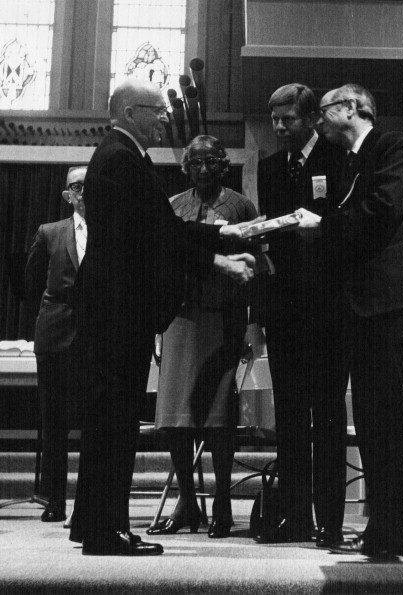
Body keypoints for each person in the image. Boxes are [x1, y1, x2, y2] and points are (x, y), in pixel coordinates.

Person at [69, 79, 255, 556]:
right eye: (157, 112)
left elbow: (161, 230)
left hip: (113, 308)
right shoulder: (121, 158)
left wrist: (221, 236)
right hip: (118, 310)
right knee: (115, 420)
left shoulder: (118, 154)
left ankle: (93, 522)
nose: (164, 120)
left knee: (107, 418)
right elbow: (157, 234)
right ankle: (107, 530)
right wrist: (220, 255)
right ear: (132, 112)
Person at [296, 83, 403, 556]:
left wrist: (323, 227)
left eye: (323, 110)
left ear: (354, 108)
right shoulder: (345, 163)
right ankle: (386, 529)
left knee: (400, 423)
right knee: (375, 425)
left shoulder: (392, 145)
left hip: (398, 305)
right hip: (363, 310)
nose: (317, 119)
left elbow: (382, 211)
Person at [150, 135, 258, 539]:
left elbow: (254, 259)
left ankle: (223, 504)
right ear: (185, 167)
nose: (202, 169)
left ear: (223, 165)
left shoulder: (241, 205)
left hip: (223, 317)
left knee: (218, 417)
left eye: (210, 162)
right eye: (194, 162)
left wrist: (249, 321)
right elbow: (160, 259)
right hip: (180, 317)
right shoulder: (174, 206)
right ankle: (188, 502)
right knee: (177, 418)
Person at [256, 83, 350, 544]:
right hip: (285, 311)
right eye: (274, 119)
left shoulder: (337, 160)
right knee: (290, 415)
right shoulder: (271, 166)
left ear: (311, 118)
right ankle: (294, 516)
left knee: (328, 414)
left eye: (286, 119)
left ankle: (330, 521)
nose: (278, 127)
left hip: (327, 310)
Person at [24, 166, 87, 523]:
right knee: (55, 421)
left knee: (96, 421)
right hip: (55, 333)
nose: (85, 192)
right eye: (78, 187)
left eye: (91, 186)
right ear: (67, 194)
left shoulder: (111, 229)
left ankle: (87, 502)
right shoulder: (50, 232)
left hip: (95, 335)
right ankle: (55, 500)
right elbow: (31, 285)